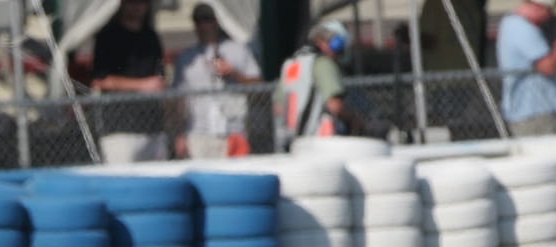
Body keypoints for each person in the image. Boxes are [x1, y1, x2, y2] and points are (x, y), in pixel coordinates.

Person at [172, 3, 261, 160]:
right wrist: (180, 134)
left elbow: (258, 84)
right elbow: (179, 100)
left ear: (217, 22)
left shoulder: (237, 49)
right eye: (199, 21)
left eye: (208, 20)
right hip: (198, 133)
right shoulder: (187, 58)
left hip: (232, 131)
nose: (204, 25)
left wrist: (234, 73)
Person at [89, 0, 168, 164]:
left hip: (153, 127)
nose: (138, 6)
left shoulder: (151, 37)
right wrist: (143, 86)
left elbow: (159, 78)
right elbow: (101, 81)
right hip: (120, 129)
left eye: (142, 2)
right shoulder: (108, 36)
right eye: (132, 2)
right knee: (123, 182)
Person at [496, 1, 556, 137]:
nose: (549, 16)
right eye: (548, 11)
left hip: (533, 112)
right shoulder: (521, 28)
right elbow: (548, 67)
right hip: (534, 114)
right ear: (537, 7)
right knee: (548, 156)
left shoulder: (514, 25)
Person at [276, 20, 357, 149]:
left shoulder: (292, 64)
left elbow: (279, 107)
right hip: (319, 143)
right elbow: (335, 105)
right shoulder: (322, 64)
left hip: (292, 142)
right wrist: (354, 120)